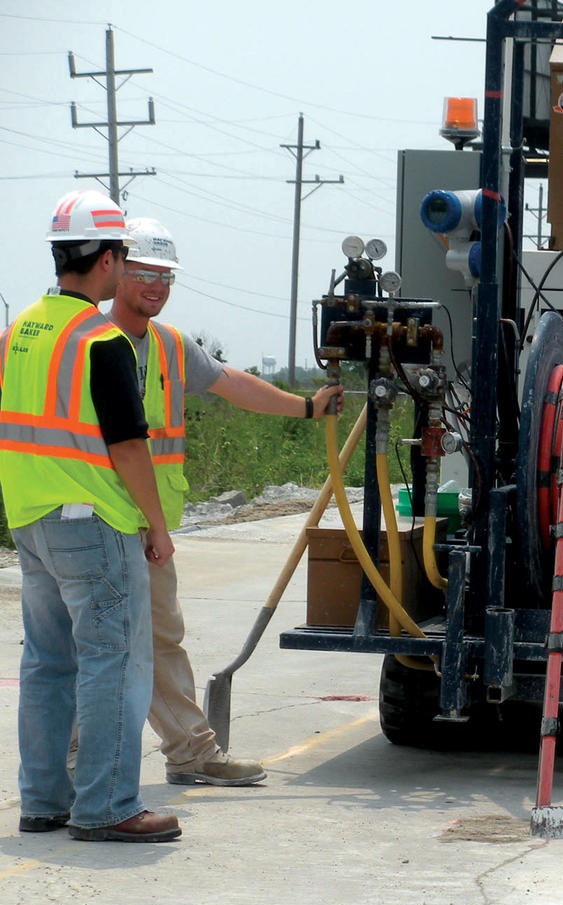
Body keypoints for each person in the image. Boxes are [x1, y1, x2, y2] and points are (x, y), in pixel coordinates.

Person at [105, 217, 343, 787]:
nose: (156, 286)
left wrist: (305, 408)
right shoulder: (81, 338)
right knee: (88, 644)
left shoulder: (167, 345)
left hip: (147, 524)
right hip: (91, 518)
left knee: (161, 638)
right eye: (144, 273)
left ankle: (192, 754)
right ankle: (73, 766)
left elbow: (231, 382)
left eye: (165, 276)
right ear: (113, 269)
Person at [0, 189, 179, 842]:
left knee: (48, 661)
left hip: (31, 521)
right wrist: (156, 526)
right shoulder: (102, 340)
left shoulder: (19, 331)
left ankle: (44, 800)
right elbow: (129, 447)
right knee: (115, 660)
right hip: (93, 522)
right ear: (107, 261)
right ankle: (106, 805)